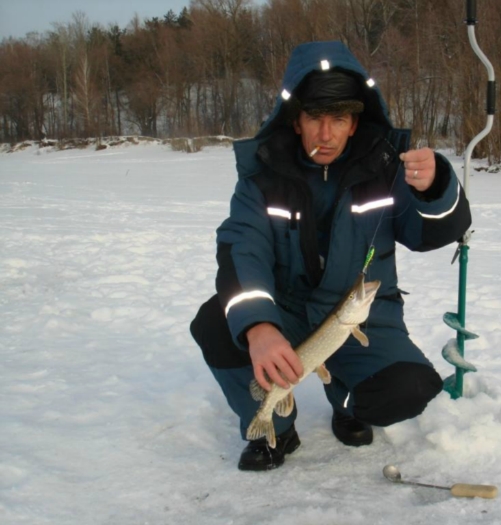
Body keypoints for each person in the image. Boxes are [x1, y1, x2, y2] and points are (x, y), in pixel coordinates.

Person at [190, 41, 471, 471]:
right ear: (296, 121)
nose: (326, 134)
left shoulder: (385, 169)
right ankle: (274, 430)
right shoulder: (262, 177)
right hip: (287, 311)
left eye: (338, 119)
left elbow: (431, 233)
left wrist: (435, 188)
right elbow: (240, 249)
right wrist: (260, 327)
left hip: (364, 317)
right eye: (315, 118)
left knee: (411, 387)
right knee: (217, 323)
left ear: (354, 123)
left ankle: (346, 400)